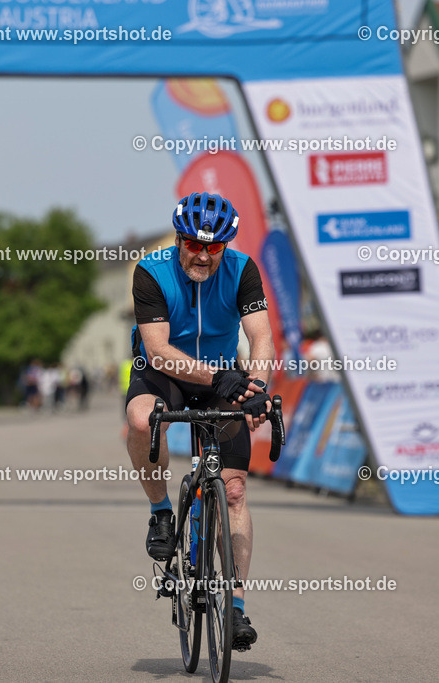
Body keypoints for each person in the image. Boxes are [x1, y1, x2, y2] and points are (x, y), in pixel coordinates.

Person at [125, 191, 274, 651]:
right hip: (164, 373)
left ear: (225, 246)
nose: (203, 256)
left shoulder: (242, 270)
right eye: (193, 244)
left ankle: (236, 607)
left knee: (234, 490)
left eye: (213, 247)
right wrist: (220, 377)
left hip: (224, 376)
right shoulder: (151, 271)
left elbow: (261, 336)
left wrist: (257, 386)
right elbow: (158, 350)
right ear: (179, 240)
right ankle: (160, 513)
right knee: (141, 420)